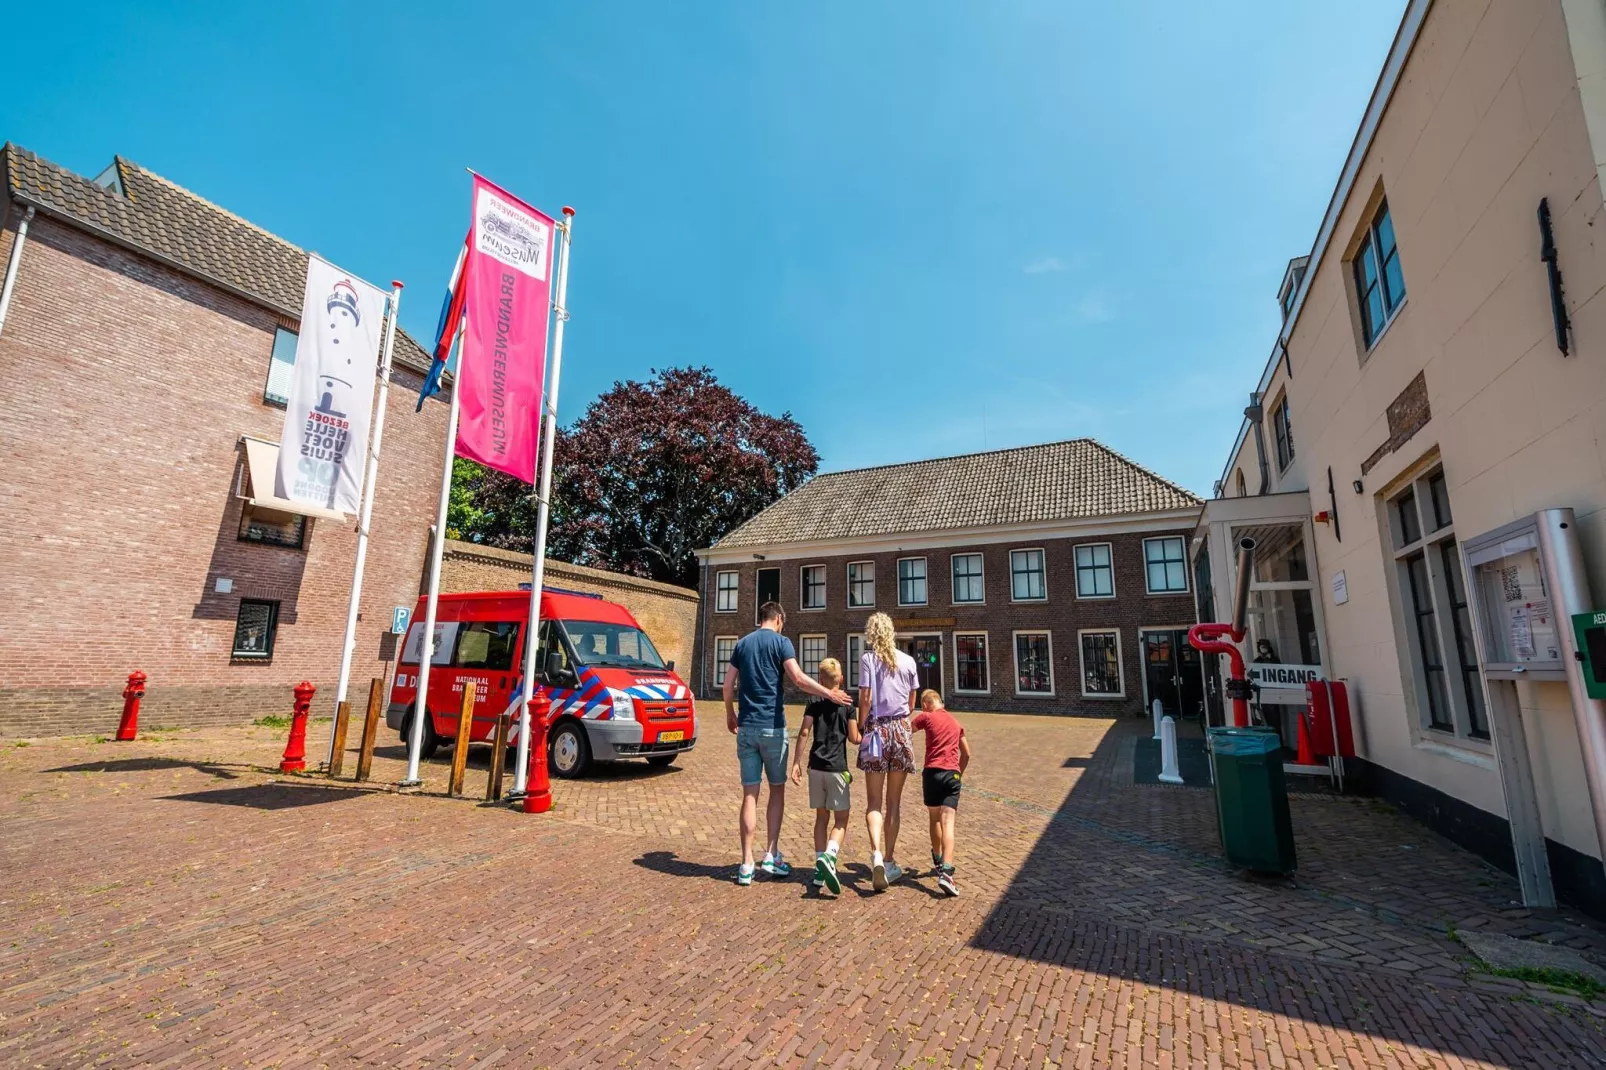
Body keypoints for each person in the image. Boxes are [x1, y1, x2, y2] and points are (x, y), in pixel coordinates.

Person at [725, 601, 854, 887]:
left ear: (761, 618)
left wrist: (730, 712)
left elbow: (728, 683)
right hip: (772, 728)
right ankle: (771, 853)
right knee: (776, 791)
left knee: (749, 795)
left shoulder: (742, 644)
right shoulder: (781, 643)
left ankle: (746, 863)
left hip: (746, 727)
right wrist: (829, 694)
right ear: (779, 619)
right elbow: (797, 678)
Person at [855, 611, 919, 892]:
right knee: (894, 802)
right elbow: (912, 700)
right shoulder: (908, 661)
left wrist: (860, 723)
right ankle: (890, 862)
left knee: (873, 803)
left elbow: (865, 698)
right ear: (892, 632)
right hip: (901, 732)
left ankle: (877, 855)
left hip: (876, 731)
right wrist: (902, 723)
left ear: (871, 634)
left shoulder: (869, 659)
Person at [789, 657, 860, 895]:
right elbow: (853, 738)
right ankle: (830, 856)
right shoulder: (848, 703)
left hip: (815, 766)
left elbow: (804, 732)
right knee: (841, 820)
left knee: (821, 818)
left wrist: (796, 763)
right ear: (840, 679)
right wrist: (864, 733)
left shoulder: (814, 699)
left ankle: (819, 870)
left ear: (820, 680)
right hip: (837, 768)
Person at [913, 689, 970, 898]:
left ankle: (937, 859)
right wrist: (958, 774)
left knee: (934, 818)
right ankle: (947, 871)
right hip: (951, 775)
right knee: (949, 824)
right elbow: (967, 753)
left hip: (931, 773)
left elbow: (906, 730)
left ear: (926, 704)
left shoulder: (926, 717)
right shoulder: (956, 723)